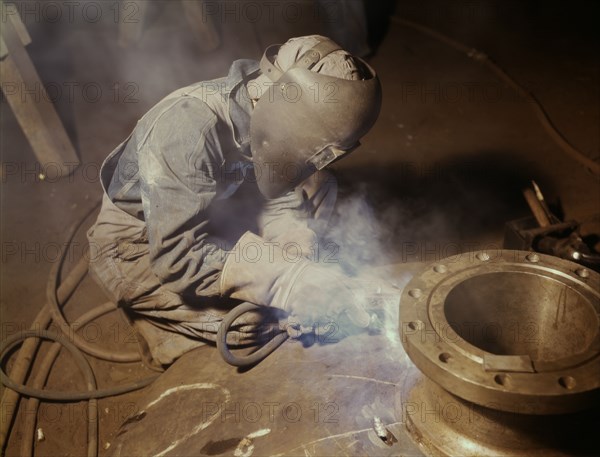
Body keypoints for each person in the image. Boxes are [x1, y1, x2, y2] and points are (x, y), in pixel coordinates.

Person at [87, 35, 382, 366]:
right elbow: (177, 256)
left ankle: (271, 279)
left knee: (319, 185)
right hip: (140, 247)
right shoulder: (185, 129)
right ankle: (163, 332)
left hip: (213, 209)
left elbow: (279, 187)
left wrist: (293, 242)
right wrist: (290, 281)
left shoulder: (263, 111)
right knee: (254, 325)